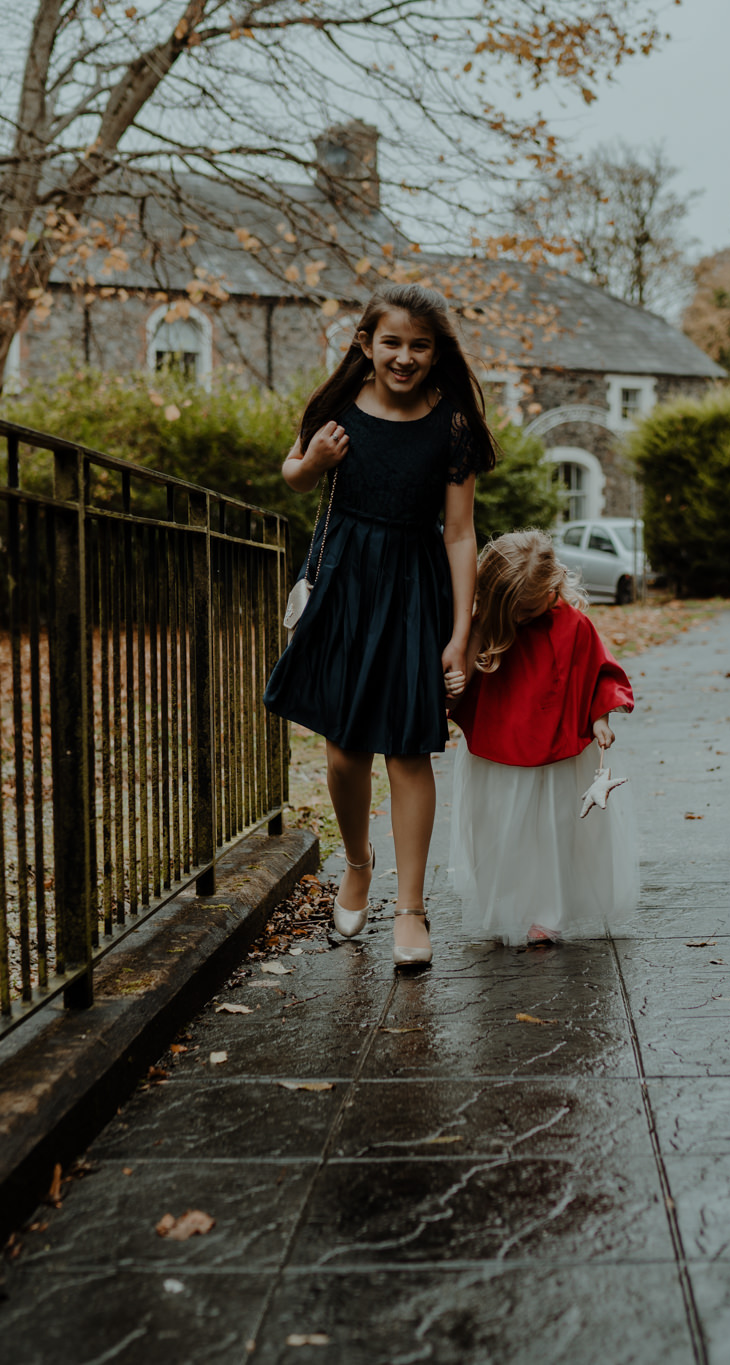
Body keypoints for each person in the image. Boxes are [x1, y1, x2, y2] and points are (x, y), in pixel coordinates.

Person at [263, 282, 498, 967]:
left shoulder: (451, 424)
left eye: (419, 345)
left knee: (407, 751)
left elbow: (460, 534)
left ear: (436, 351)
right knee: (342, 751)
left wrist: (459, 632)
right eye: (391, 342)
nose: (404, 356)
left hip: (412, 592)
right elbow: (294, 475)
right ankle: (359, 862)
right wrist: (314, 463)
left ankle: (412, 910)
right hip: (344, 586)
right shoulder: (337, 406)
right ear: (366, 342)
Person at [446, 530, 638, 946]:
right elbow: (464, 676)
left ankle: (547, 913)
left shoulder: (575, 625)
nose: (519, 619)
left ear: (552, 588)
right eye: (512, 610)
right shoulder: (490, 625)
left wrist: (601, 717)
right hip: (498, 753)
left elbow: (597, 671)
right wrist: (456, 683)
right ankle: (503, 906)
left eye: (527, 609)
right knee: (498, 830)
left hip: (558, 754)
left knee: (552, 832)